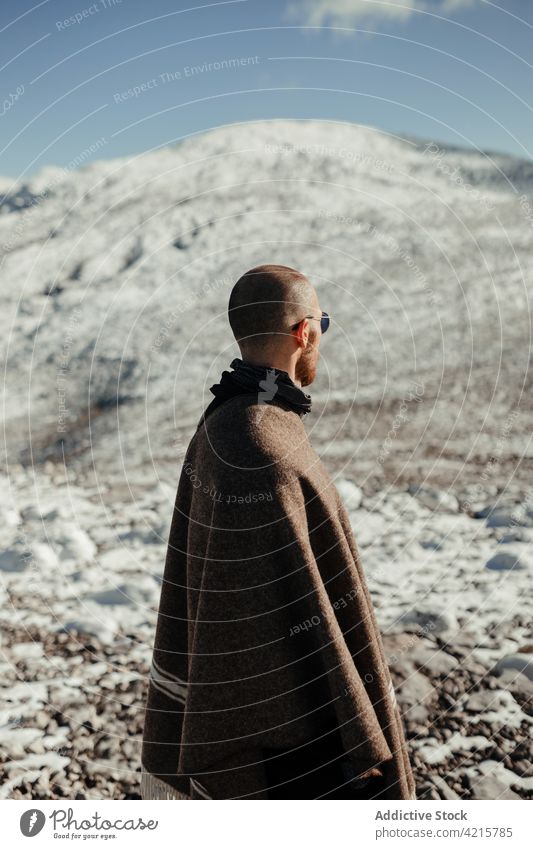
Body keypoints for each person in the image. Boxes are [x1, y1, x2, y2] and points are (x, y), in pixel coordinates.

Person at [141, 264, 416, 800]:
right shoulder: (260, 441)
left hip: (274, 724)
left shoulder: (233, 418)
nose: (321, 337)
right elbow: (274, 619)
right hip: (283, 745)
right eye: (323, 324)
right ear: (303, 332)